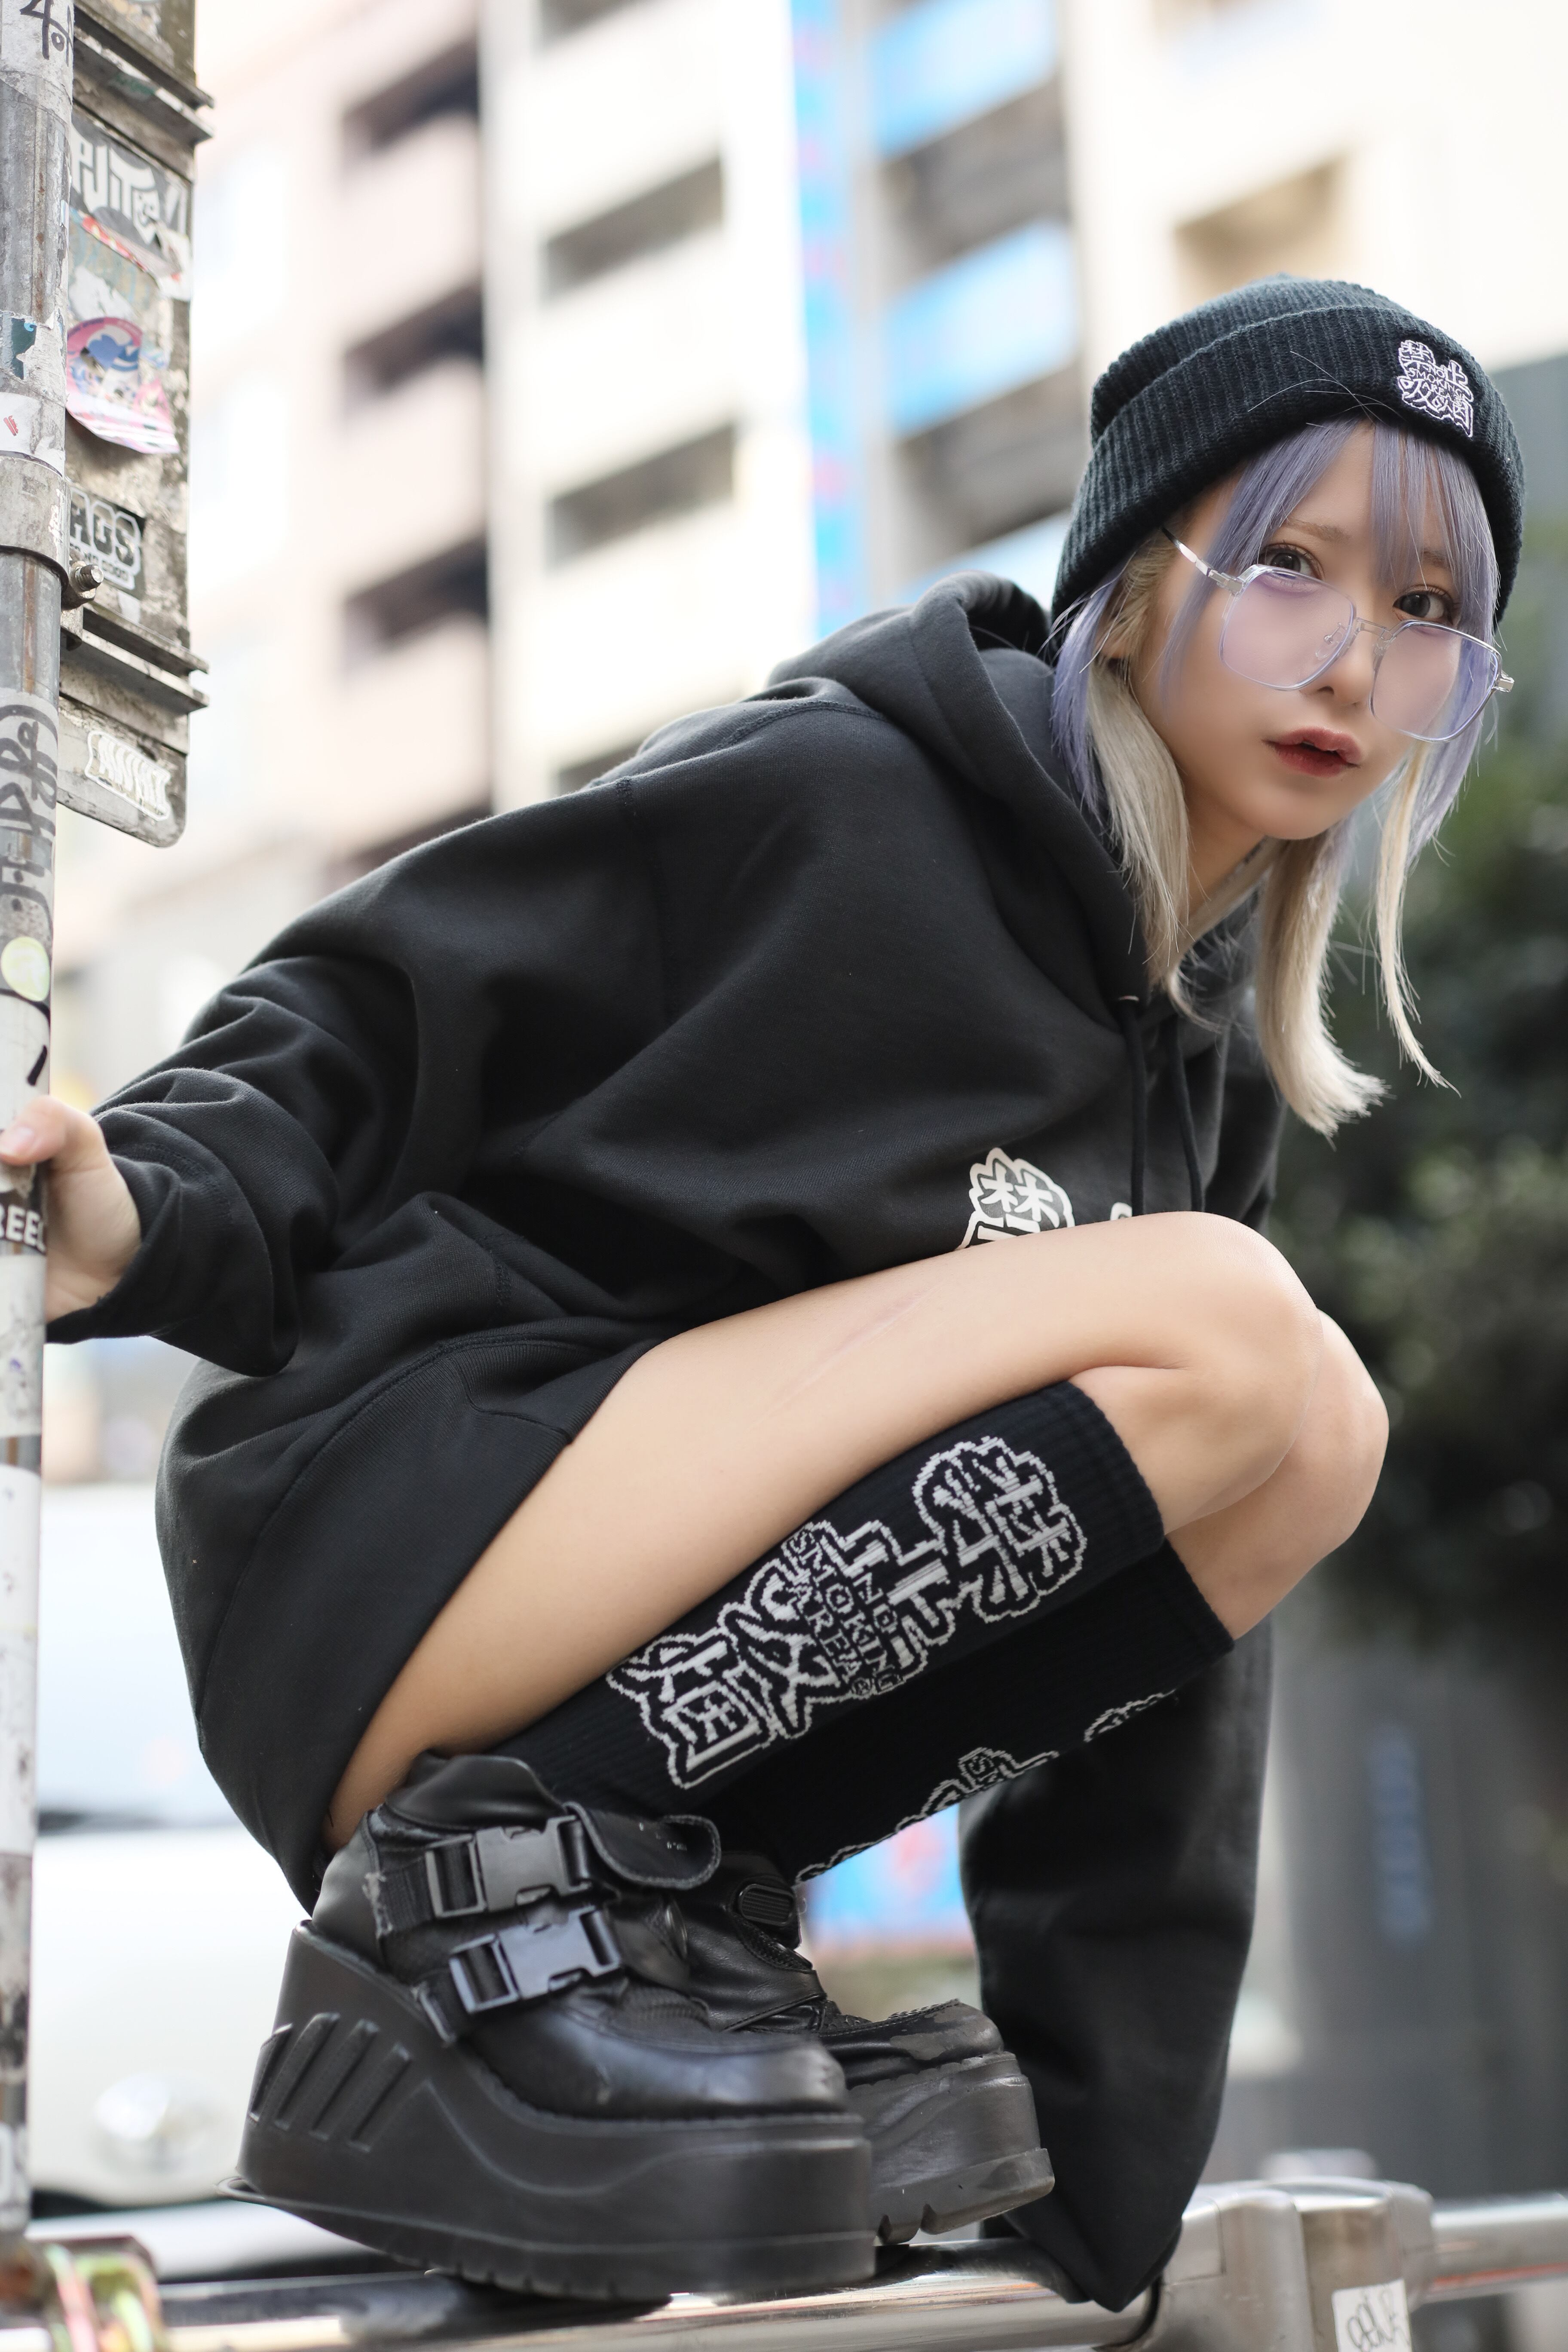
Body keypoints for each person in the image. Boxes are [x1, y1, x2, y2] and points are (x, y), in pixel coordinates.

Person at [21, 279, 1520, 2301]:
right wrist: (155, 1205)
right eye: (1288, 569)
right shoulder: (850, 791)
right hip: (401, 1524)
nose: (1352, 658)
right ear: (1131, 588)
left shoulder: (1202, 1071)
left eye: (1428, 613)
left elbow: (1157, 1674)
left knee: (1314, 1428)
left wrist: (1086, 2210)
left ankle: (659, 1909)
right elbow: (397, 991)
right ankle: (493, 1896)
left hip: (595, 1652)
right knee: (1240, 1323)